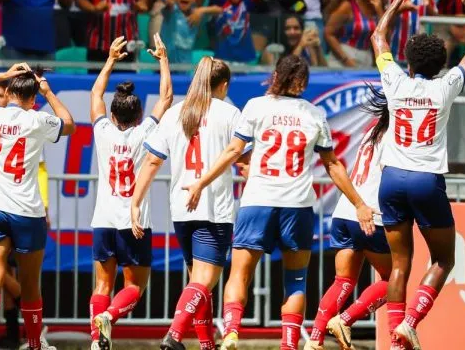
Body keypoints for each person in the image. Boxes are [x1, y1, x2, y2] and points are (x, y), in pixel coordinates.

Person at [182, 55, 375, 350]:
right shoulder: (313, 114)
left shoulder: (256, 107)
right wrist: (359, 203)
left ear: (276, 76)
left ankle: (232, 332)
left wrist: (201, 182)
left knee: (240, 274)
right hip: (297, 206)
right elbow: (333, 165)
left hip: (258, 200)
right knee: (296, 280)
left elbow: (234, 151)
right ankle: (288, 345)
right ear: (302, 83)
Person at [368, 0, 465, 350]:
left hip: (391, 178)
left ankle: (395, 343)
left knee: (400, 264)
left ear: (410, 63)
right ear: (440, 65)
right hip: (425, 179)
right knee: (443, 260)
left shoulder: (396, 81)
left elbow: (378, 36)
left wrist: (396, 3)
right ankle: (411, 324)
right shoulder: (445, 87)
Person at [0, 63, 75, 350]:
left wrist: (5, 74)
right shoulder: (37, 120)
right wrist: (49, 93)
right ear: (33, 99)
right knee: (30, 283)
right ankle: (36, 344)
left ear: (9, 90)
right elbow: (70, 123)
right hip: (26, 209)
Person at [131, 57, 238, 350]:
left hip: (181, 207)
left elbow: (152, 160)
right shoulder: (229, 113)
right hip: (212, 206)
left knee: (196, 282)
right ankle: (174, 335)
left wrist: (135, 201)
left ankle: (206, 345)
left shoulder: (176, 113)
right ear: (224, 85)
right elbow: (243, 156)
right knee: (204, 281)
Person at [88, 35, 173, 349]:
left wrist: (110, 59)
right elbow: (166, 97)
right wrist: (162, 58)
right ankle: (110, 316)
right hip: (134, 221)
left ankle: (97, 342)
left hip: (103, 219)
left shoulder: (102, 131)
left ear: (112, 116)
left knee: (101, 284)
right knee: (135, 287)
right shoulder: (145, 131)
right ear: (139, 116)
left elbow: (96, 93)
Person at [305, 86, 392, 350]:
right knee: (394, 279)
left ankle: (315, 339)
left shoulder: (371, 134)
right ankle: (345, 319)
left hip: (345, 211)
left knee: (343, 280)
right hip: (370, 213)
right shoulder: (395, 138)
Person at [325, 0, 383, 68]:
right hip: (343, 59)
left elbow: (384, 36)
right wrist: (346, 60)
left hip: (367, 58)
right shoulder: (347, 6)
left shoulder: (377, 6)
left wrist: (379, 9)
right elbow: (328, 33)